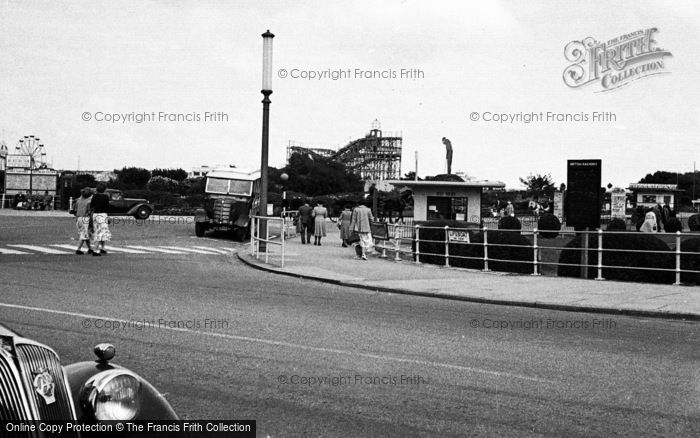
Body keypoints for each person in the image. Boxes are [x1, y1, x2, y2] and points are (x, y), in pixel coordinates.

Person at [90, 184, 111, 256]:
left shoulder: (94, 196)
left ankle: (102, 248)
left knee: (97, 231)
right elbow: (108, 207)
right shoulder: (106, 197)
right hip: (103, 215)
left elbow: (91, 205)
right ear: (104, 190)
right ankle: (95, 249)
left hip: (95, 215)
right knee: (102, 232)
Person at [73, 188, 94, 255]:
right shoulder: (89, 202)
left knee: (85, 234)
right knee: (84, 235)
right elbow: (89, 212)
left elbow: (75, 210)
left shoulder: (78, 200)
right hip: (85, 218)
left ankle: (89, 248)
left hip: (78, 218)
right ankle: (78, 249)